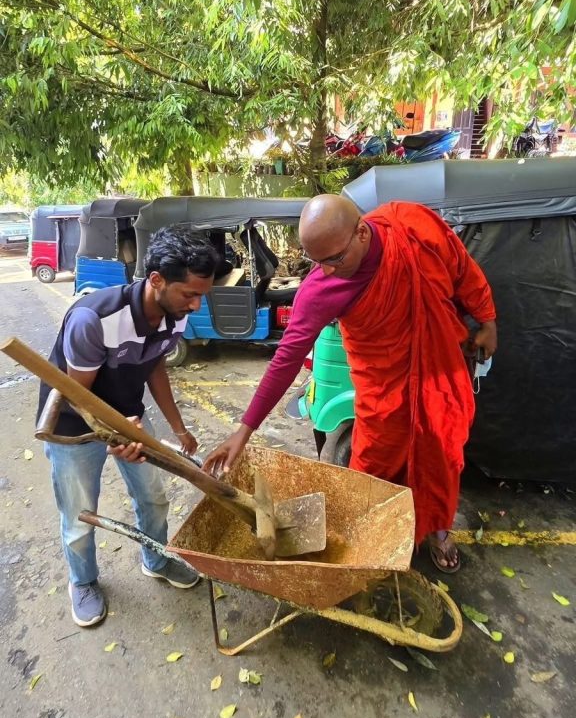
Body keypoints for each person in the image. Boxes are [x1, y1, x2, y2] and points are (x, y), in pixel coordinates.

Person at [204, 195, 497, 572]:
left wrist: (487, 320)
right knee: (372, 464)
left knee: (441, 458)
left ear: (361, 232)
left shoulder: (411, 226)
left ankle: (438, 529)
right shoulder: (321, 288)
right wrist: (243, 430)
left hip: (438, 374)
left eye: (333, 260)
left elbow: (462, 269)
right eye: (316, 262)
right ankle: (372, 539)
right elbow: (286, 359)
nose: (324, 271)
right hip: (382, 390)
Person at [39, 225, 219, 627]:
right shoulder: (94, 320)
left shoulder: (174, 315)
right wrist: (116, 435)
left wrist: (178, 426)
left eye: (201, 296)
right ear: (156, 280)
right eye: (189, 294)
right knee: (79, 512)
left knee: (153, 497)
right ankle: (82, 582)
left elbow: (155, 362)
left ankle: (154, 559)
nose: (195, 306)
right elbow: (78, 398)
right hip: (75, 424)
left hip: (129, 414)